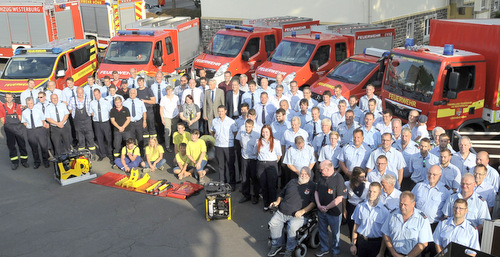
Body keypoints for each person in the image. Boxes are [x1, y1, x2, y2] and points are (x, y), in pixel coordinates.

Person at [267, 167, 316, 257]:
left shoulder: (312, 186)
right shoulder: (292, 182)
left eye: (306, 174)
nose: (303, 175)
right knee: (273, 223)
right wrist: (277, 202)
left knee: (292, 227)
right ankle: (276, 245)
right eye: (302, 173)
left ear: (309, 176)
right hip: (282, 211)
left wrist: (302, 211)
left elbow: (313, 203)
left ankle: (289, 249)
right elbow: (282, 194)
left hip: (299, 215)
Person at [381, 191, 433, 257]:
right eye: (401, 204)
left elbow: (423, 243)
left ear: (413, 204)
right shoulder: (393, 215)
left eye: (405, 205)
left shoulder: (422, 219)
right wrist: (393, 253)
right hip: (393, 254)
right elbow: (386, 234)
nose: (402, 207)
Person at [315, 160, 345, 257]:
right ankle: (324, 249)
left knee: (335, 233)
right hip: (321, 210)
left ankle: (336, 251)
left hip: (334, 212)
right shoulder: (321, 177)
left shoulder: (339, 179)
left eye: (321, 170)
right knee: (322, 230)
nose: (320, 172)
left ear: (327, 169)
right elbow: (316, 192)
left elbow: (339, 198)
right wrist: (319, 205)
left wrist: (327, 207)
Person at [350, 182, 389, 257]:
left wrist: (381, 252)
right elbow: (356, 226)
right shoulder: (360, 207)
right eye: (370, 191)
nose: (371, 194)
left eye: (374, 192)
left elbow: (385, 234)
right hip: (362, 242)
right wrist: (353, 244)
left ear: (379, 193)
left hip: (376, 244)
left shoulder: (384, 211)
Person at [211, 105, 238, 189]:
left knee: (231, 165)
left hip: (228, 146)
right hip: (219, 146)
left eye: (222, 111)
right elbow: (212, 131)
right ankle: (222, 182)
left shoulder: (231, 121)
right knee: (221, 166)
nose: (220, 113)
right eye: (219, 111)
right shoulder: (214, 121)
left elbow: (235, 133)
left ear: (225, 111)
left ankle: (232, 183)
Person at [257, 125, 282, 211]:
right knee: (263, 185)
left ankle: (272, 204)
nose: (265, 134)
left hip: (271, 164)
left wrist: (272, 163)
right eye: (263, 132)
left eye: (266, 132)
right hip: (261, 164)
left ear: (270, 132)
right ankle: (266, 203)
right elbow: (255, 152)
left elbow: (279, 155)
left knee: (272, 186)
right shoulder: (258, 141)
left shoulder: (276, 142)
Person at [0, 93, 29, 169]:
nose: (9, 99)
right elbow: (2, 120)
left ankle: (24, 161)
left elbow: (20, 118)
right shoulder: (2, 107)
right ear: (5, 98)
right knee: (11, 146)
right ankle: (14, 162)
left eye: (10, 97)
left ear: (12, 98)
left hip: (18, 128)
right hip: (9, 129)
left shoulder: (17, 106)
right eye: (7, 97)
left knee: (22, 144)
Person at [236, 119, 260, 204]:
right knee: (244, 177)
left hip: (253, 159)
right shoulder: (242, 134)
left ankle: (255, 196)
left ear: (253, 127)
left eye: (249, 126)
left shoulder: (257, 135)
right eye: (246, 126)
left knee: (254, 178)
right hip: (245, 158)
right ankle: (246, 195)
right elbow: (240, 143)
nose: (247, 128)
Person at [21, 97, 49, 169]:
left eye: (31, 103)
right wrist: (29, 126)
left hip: (40, 130)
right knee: (34, 148)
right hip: (30, 131)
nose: (30, 105)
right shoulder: (24, 112)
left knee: (43, 146)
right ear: (26, 104)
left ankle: (46, 161)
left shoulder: (38, 110)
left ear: (33, 103)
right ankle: (37, 162)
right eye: (28, 104)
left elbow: (43, 120)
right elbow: (24, 122)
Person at [343, 167, 369, 238]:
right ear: (355, 176)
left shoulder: (367, 185)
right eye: (361, 176)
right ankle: (353, 245)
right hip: (352, 208)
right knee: (352, 228)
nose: (363, 178)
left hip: (363, 208)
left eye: (364, 176)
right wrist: (344, 209)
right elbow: (344, 197)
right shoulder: (347, 184)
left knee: (361, 229)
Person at [68, 87, 96, 154]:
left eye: (81, 92)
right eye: (79, 93)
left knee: (90, 136)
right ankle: (82, 153)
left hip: (87, 120)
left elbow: (92, 108)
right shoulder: (72, 100)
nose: (80, 94)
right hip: (77, 121)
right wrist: (74, 115)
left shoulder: (88, 99)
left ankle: (92, 153)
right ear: (76, 92)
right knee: (80, 137)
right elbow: (70, 109)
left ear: (83, 92)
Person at [89, 88, 113, 162]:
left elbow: (110, 111)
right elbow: (91, 112)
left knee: (108, 139)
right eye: (95, 95)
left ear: (100, 94)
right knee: (100, 139)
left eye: (97, 94)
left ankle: (110, 154)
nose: (96, 96)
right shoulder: (92, 103)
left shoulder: (106, 102)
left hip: (105, 122)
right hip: (97, 123)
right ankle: (102, 154)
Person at [159, 86, 179, 152]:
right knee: (167, 131)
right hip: (166, 116)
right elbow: (161, 109)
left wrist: (178, 114)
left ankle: (174, 144)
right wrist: (162, 119)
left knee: (174, 131)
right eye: (168, 91)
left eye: (170, 90)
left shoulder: (176, 97)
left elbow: (178, 106)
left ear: (172, 90)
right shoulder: (163, 98)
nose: (169, 92)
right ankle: (167, 146)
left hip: (175, 116)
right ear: (166, 91)